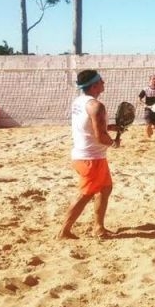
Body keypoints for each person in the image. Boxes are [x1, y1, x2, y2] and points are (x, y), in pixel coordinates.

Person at [58, 70, 121, 239]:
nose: (104, 82)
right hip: (90, 158)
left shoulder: (79, 102)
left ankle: (99, 228)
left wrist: (110, 127)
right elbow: (100, 136)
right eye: (101, 80)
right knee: (85, 195)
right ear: (94, 85)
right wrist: (114, 143)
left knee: (105, 189)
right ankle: (63, 231)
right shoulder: (97, 106)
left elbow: (88, 126)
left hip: (88, 156)